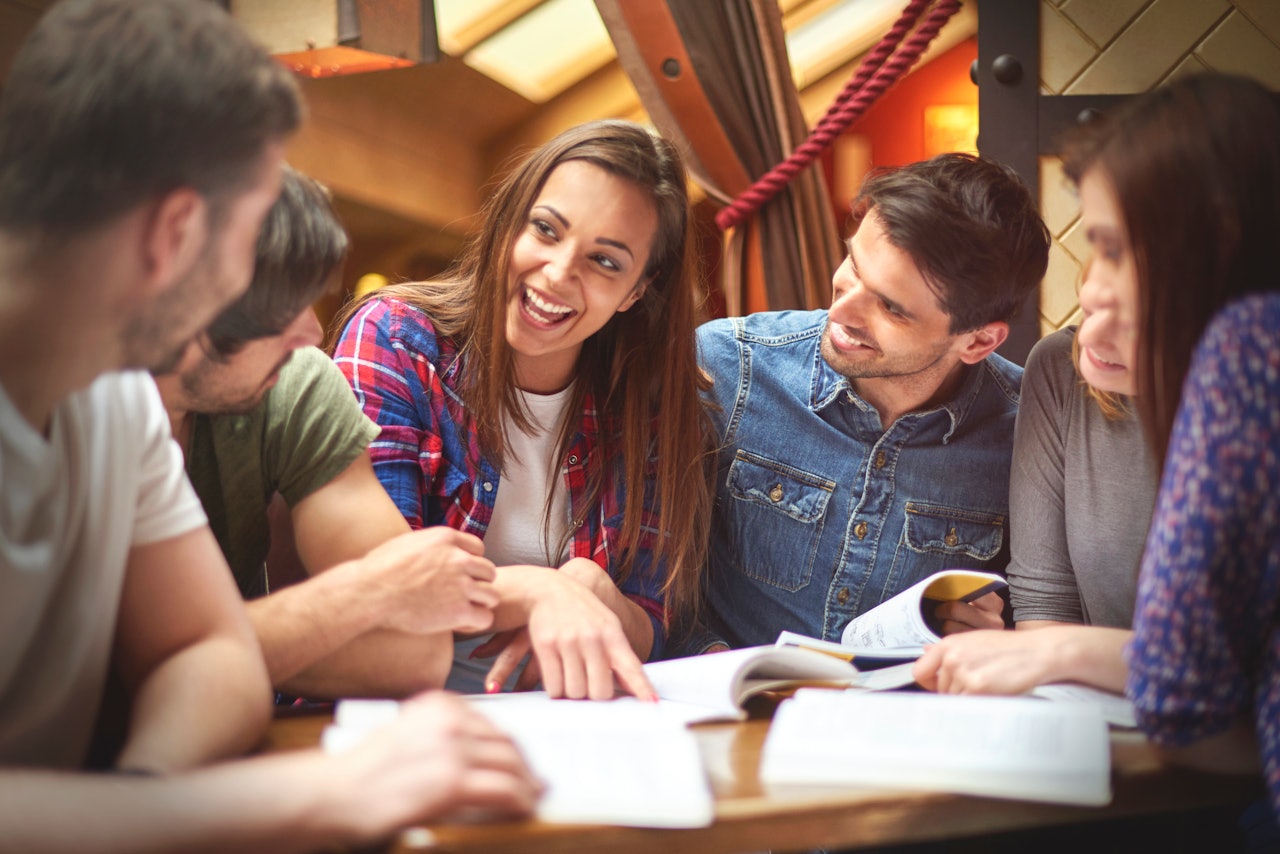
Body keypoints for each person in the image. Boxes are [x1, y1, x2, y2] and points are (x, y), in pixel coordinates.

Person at [0, 0, 537, 848]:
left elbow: (205, 654)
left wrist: (143, 805)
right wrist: (319, 794)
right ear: (176, 233)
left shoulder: (119, 400)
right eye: (249, 234)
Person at [332, 119, 713, 700]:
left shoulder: (648, 403)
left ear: (638, 290)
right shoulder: (396, 340)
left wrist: (593, 588)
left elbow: (649, 625)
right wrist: (540, 591)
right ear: (511, 221)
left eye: (606, 262)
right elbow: (379, 587)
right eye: (546, 230)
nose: (559, 274)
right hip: (396, 712)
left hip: (566, 721)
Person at [153, 166, 500, 698]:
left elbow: (413, 650)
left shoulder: (293, 381)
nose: (313, 333)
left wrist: (178, 659)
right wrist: (366, 593)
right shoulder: (61, 406)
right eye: (278, 306)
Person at [685, 153, 1050, 653]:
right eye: (853, 266)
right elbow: (648, 574)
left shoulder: (1027, 433)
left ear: (978, 341)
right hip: (722, 710)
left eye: (891, 308)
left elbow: (1034, 617)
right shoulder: (727, 367)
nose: (842, 309)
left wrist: (987, 637)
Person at [910, 301, 1158, 696]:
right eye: (1092, 310)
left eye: (1136, 322)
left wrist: (1067, 653)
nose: (1091, 336)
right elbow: (1045, 610)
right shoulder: (1065, 366)